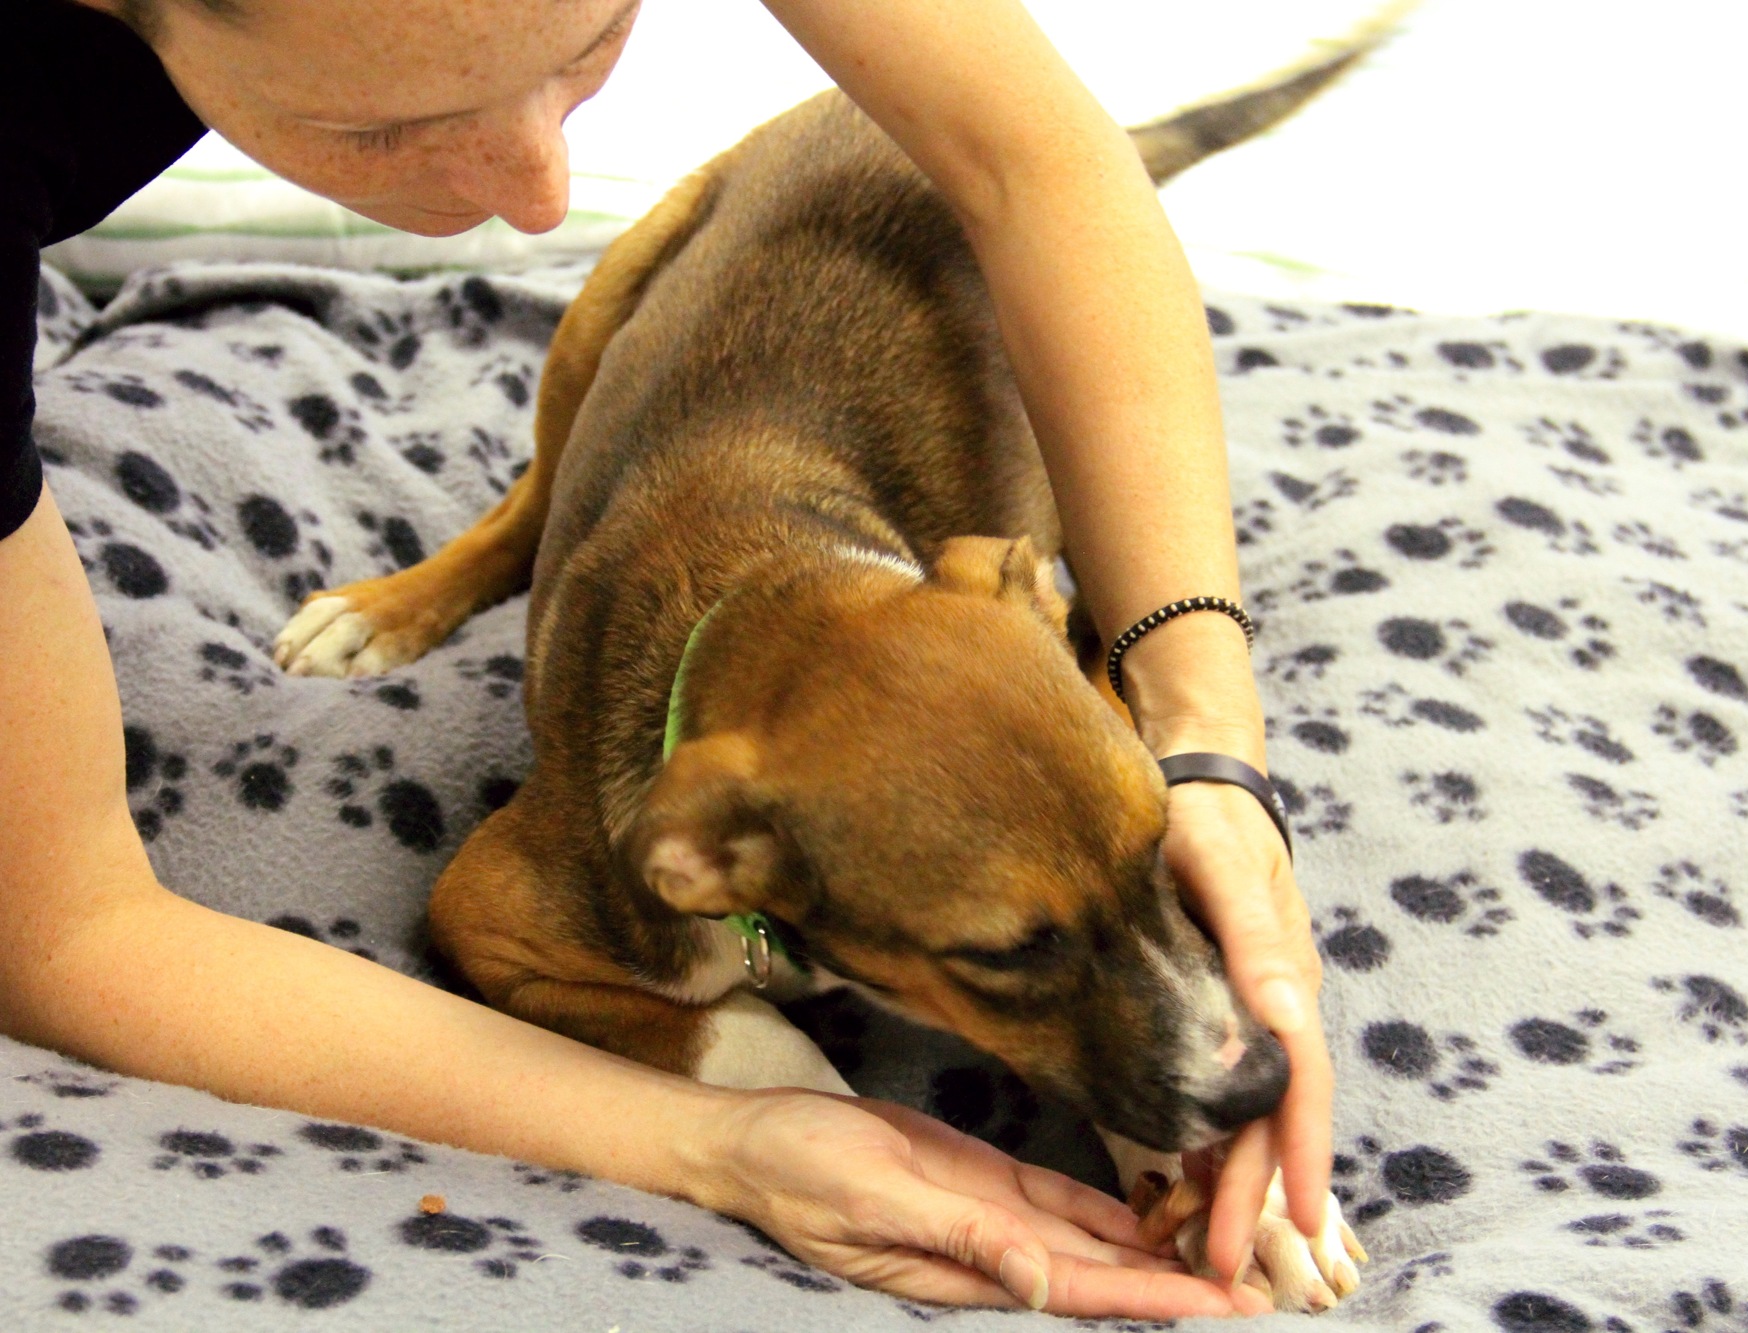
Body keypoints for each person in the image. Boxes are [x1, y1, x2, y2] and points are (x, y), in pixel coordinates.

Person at [0, 0, 1332, 1316]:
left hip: (832, 364)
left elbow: (1037, 158)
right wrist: (746, 1121)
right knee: (626, 322)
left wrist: (1206, 735)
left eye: (588, 49)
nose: (539, 196)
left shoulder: (997, 605)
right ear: (694, 856)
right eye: (387, 124)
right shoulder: (676, 839)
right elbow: (71, 928)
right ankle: (510, 533)